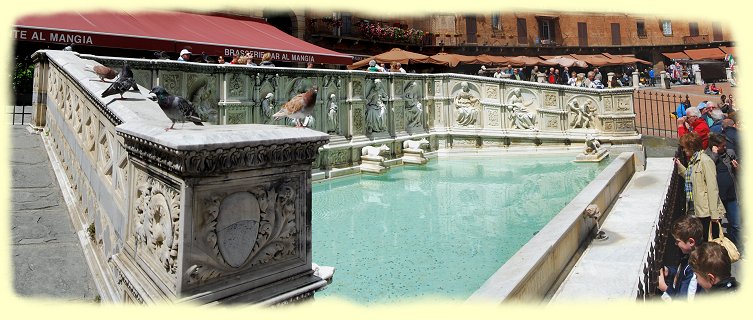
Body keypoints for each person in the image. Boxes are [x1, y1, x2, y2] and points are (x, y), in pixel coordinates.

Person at [675, 132, 726, 242]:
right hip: (698, 209)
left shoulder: (705, 161)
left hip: (707, 212)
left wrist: (714, 214)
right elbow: (692, 179)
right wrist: (680, 166)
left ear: (691, 146)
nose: (683, 150)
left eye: (684, 147)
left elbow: (713, 188)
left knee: (709, 243)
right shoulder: (694, 161)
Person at [705, 133, 741, 251]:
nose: (724, 148)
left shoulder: (729, 153)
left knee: (736, 223)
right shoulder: (707, 156)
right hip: (717, 197)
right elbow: (709, 169)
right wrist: (715, 154)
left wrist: (737, 168)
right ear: (715, 146)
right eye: (722, 146)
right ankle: (718, 249)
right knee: (716, 225)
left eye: (725, 145)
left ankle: (736, 246)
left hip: (731, 194)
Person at [658, 215, 704, 301]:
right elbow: (682, 274)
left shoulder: (694, 268)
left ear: (691, 242)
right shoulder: (690, 256)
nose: (675, 243)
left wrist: (665, 288)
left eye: (678, 241)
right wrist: (669, 271)